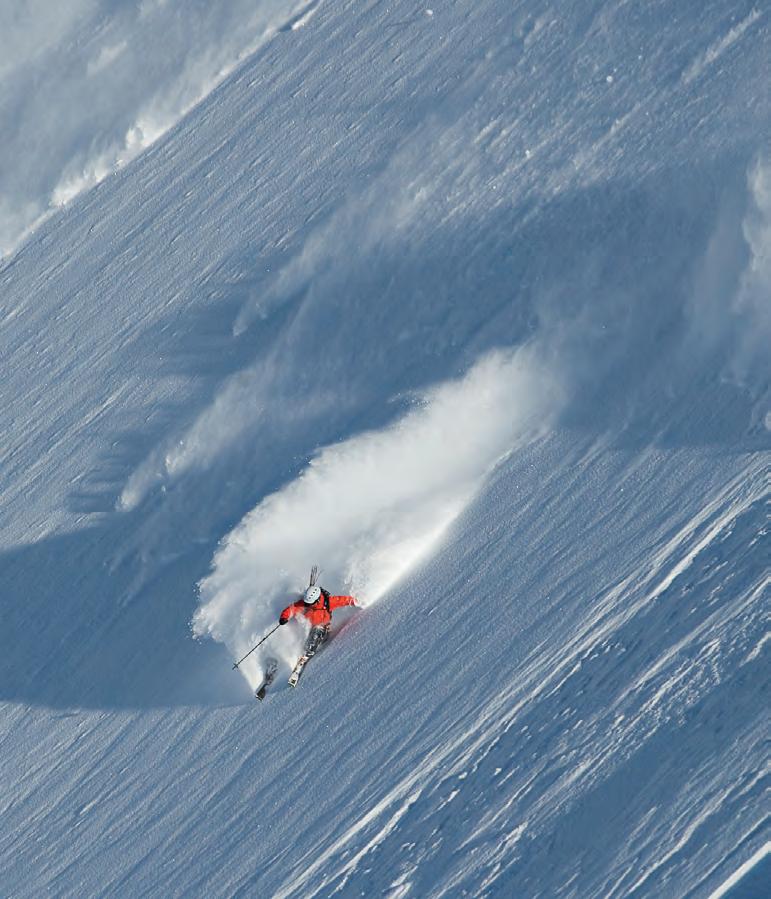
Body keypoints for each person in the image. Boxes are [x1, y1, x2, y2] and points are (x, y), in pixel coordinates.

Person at [278, 584, 358, 685]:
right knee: (297, 633)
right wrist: (284, 617)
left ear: (317, 600)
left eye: (310, 603)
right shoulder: (305, 604)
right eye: (307, 603)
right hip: (309, 631)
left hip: (323, 631)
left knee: (317, 629)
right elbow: (292, 608)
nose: (308, 605)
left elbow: (344, 600)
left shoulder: (328, 602)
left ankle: (306, 654)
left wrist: (357, 602)